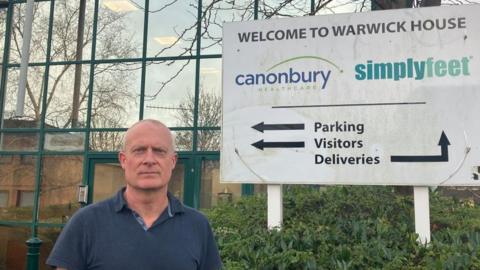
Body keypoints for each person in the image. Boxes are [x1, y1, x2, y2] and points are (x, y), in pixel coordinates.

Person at [47, 119, 222, 270]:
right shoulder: (85, 223)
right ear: (123, 160)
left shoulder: (197, 225)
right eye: (139, 150)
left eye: (159, 151)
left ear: (173, 161)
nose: (149, 160)